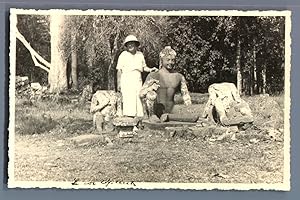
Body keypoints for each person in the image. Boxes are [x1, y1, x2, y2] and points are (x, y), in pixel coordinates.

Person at [140, 46, 193, 122]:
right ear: (162, 60)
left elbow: (186, 95)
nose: (170, 63)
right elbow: (141, 94)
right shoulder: (154, 75)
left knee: (192, 117)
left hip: (171, 109)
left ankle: (169, 117)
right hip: (157, 110)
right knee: (151, 95)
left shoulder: (179, 76)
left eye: (172, 60)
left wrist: (188, 109)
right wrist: (150, 88)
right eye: (168, 60)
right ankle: (152, 116)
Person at [116, 35, 158, 118]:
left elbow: (144, 67)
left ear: (136, 45)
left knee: (138, 98)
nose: (130, 46)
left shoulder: (140, 55)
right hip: (126, 79)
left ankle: (139, 120)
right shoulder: (123, 55)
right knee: (128, 99)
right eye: (128, 44)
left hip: (137, 79)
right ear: (126, 46)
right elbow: (119, 70)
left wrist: (150, 69)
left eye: (132, 44)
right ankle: (129, 119)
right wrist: (119, 83)